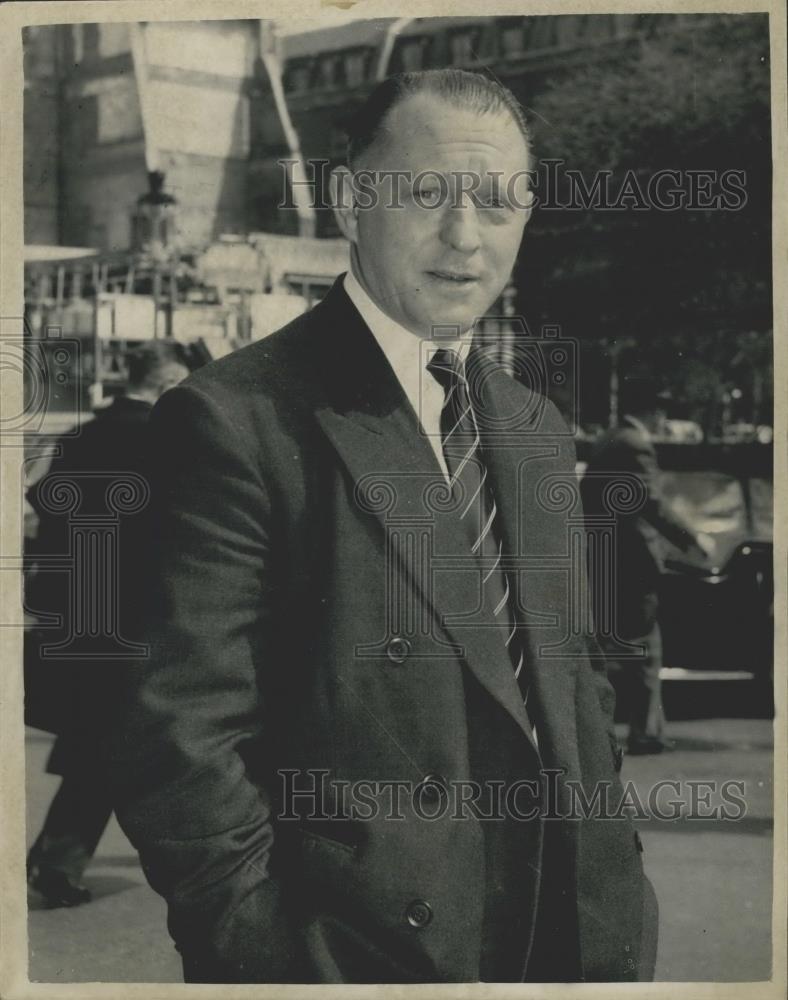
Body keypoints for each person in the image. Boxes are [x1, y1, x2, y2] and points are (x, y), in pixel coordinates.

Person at [111, 70, 657, 983]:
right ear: (349, 202)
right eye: (427, 192)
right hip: (362, 957)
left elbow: (573, 679)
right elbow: (175, 731)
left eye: (498, 201)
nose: (465, 236)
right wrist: (270, 951)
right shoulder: (237, 417)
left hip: (571, 948)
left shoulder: (534, 428)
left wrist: (622, 887)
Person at [25, 342, 189, 907]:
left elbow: (45, 505)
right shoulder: (165, 440)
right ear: (167, 381)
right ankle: (60, 862)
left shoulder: (79, 438)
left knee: (99, 739)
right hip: (137, 616)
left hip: (80, 614)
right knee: (126, 742)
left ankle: (55, 856)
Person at [580, 376, 714, 755]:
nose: (664, 420)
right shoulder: (635, 445)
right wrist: (692, 539)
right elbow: (649, 503)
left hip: (603, 556)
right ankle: (645, 732)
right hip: (631, 562)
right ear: (653, 411)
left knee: (608, 645)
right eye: (663, 412)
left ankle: (603, 731)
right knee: (644, 646)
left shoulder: (608, 437)